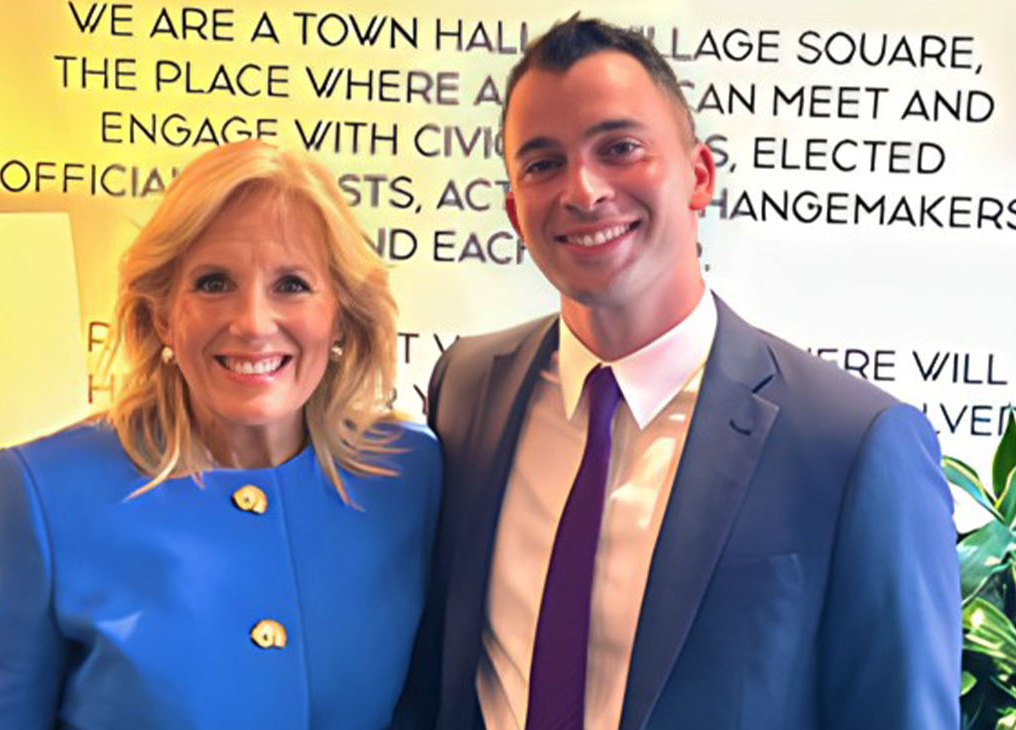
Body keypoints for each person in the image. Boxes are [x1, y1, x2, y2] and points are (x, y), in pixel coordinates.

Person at [394, 17, 960, 730]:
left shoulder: (853, 445)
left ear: (698, 175)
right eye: (542, 164)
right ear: (514, 209)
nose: (584, 190)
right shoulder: (469, 388)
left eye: (620, 148)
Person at [0, 140, 441, 730]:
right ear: (163, 314)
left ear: (340, 312)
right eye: (213, 283)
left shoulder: (410, 476)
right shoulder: (42, 491)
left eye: (292, 284)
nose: (253, 323)